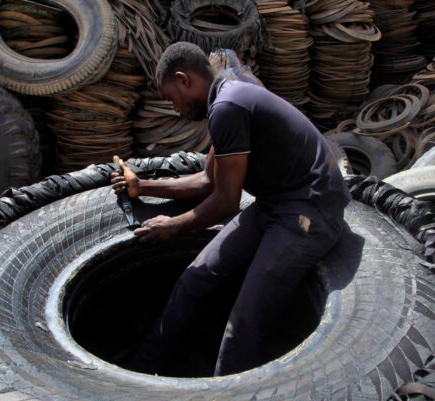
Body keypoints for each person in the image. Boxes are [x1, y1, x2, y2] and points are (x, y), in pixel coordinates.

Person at [111, 42, 350, 376]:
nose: (175, 109)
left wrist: (173, 225)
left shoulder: (228, 106)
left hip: (310, 210)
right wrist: (143, 186)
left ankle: (224, 398)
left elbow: (225, 202)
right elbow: (208, 181)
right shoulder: (227, 98)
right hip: (274, 204)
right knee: (196, 279)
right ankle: (145, 370)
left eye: (171, 98)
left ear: (183, 80)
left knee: (245, 323)